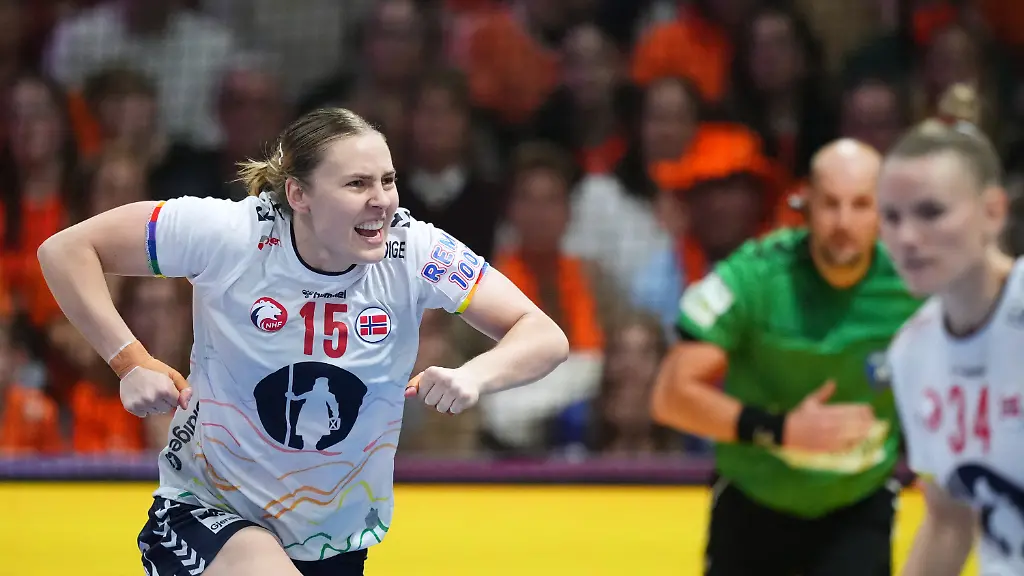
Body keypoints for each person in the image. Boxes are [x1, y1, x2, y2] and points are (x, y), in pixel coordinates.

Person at [36, 107, 570, 576]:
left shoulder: (416, 251)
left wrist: (474, 375)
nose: (381, 201)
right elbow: (66, 252)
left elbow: (543, 335)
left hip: (331, 539)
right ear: (298, 194)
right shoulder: (229, 234)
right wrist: (130, 360)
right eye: (357, 184)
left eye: (388, 180)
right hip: (209, 514)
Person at [651, 138, 922, 576]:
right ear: (804, 205)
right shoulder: (754, 275)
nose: (843, 222)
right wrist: (783, 430)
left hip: (858, 506)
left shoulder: (916, 285)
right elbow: (670, 395)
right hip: (753, 505)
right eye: (830, 204)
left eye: (860, 205)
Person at [880, 84, 1024, 575]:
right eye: (891, 217)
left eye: (931, 212)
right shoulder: (911, 352)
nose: (907, 238)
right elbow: (948, 521)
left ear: (993, 212)